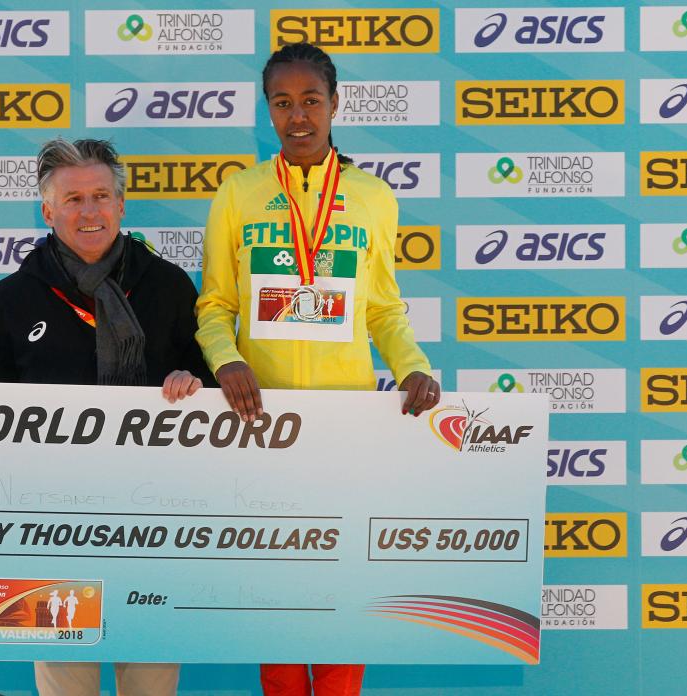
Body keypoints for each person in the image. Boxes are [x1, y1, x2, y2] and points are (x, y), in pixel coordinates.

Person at [0, 136, 212, 696]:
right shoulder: (11, 299)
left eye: (101, 196)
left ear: (122, 205)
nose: (89, 211)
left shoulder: (169, 287)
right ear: (47, 210)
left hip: (157, 523)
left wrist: (194, 383)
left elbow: (211, 385)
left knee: (151, 683)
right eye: (73, 200)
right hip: (53, 530)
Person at [195, 43, 442, 696]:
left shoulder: (371, 197)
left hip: (345, 431)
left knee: (340, 601)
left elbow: (385, 309)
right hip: (259, 428)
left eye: (311, 100)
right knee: (276, 606)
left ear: (335, 105)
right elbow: (215, 304)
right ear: (266, 110)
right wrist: (227, 358)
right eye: (282, 102)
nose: (297, 115)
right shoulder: (238, 194)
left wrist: (414, 368)